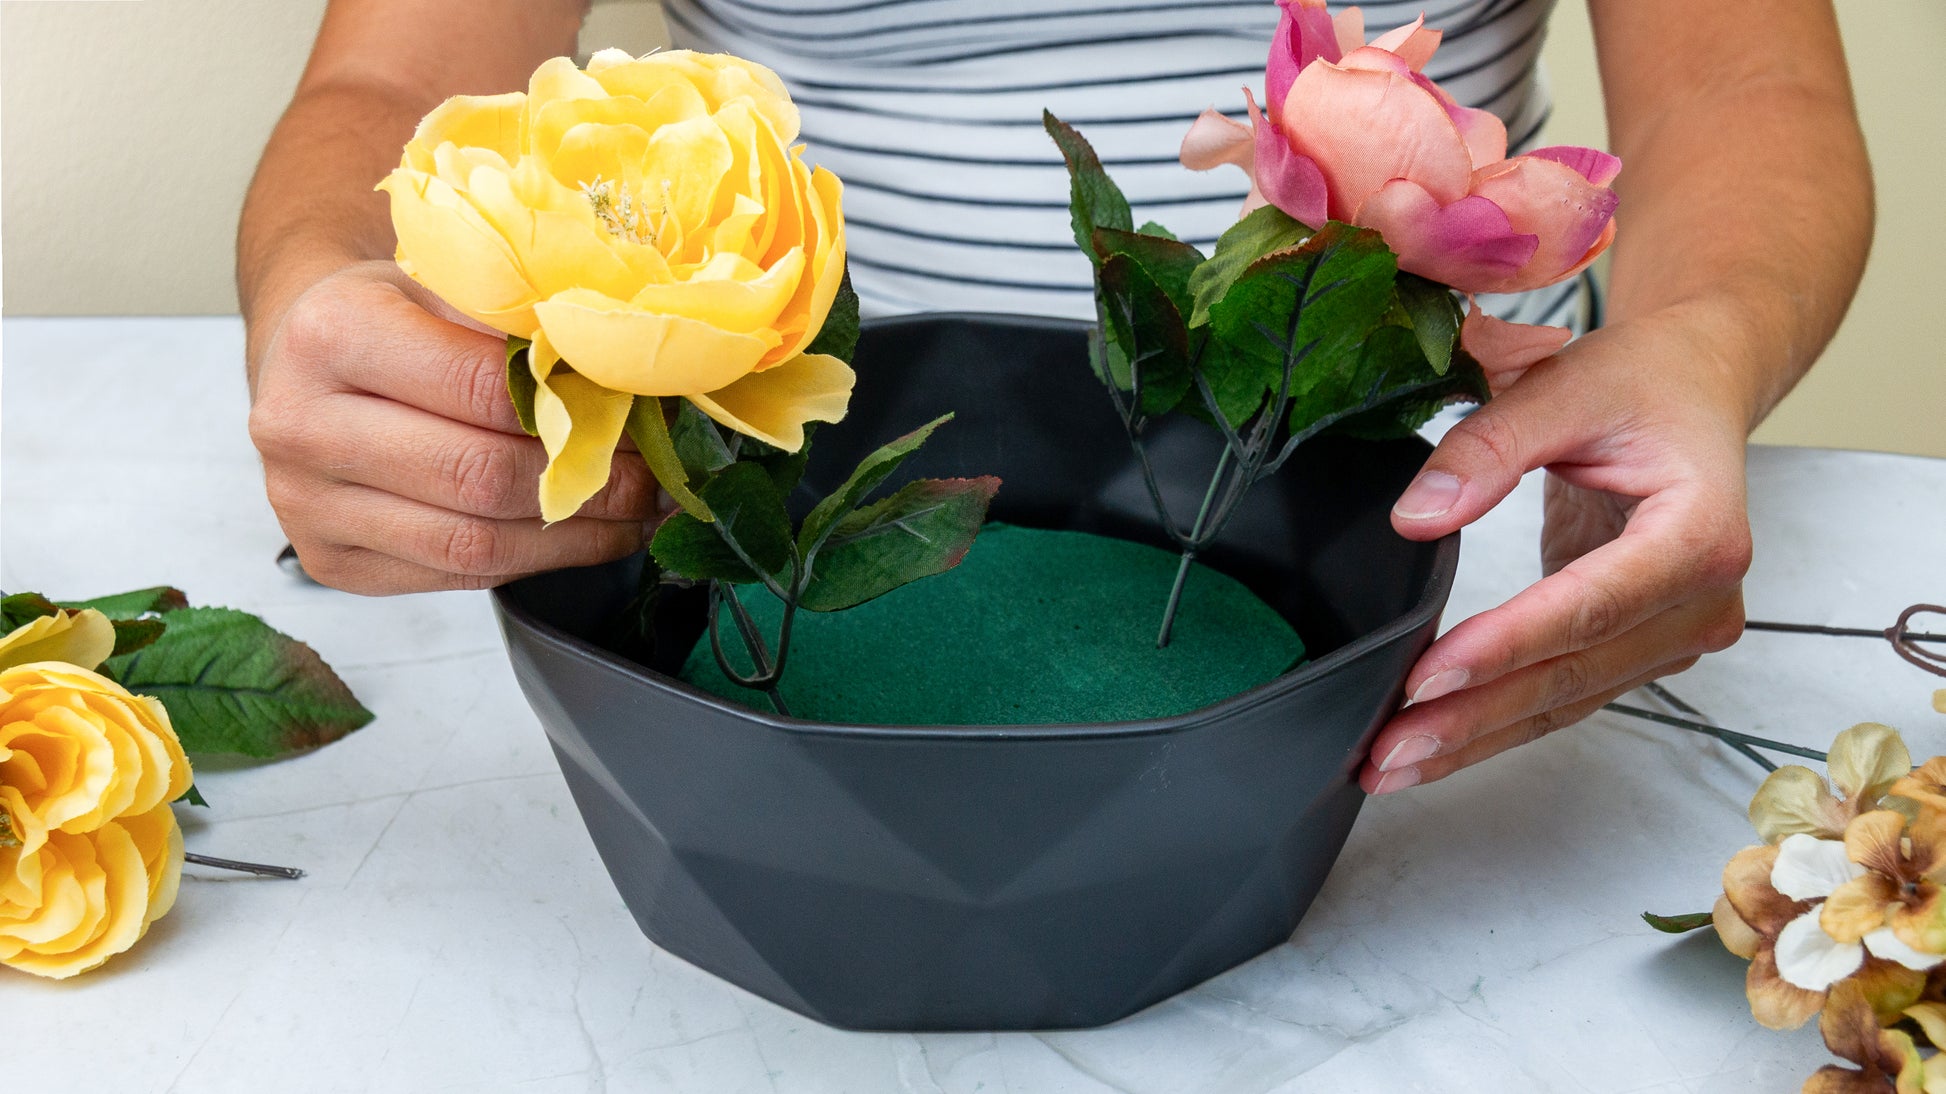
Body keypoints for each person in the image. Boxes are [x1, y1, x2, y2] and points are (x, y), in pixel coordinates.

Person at [239, 0, 1873, 795]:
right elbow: (382, 93)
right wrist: (327, 304)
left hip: (1446, 527)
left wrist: (1702, 337)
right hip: (757, 496)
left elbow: (1745, 83)